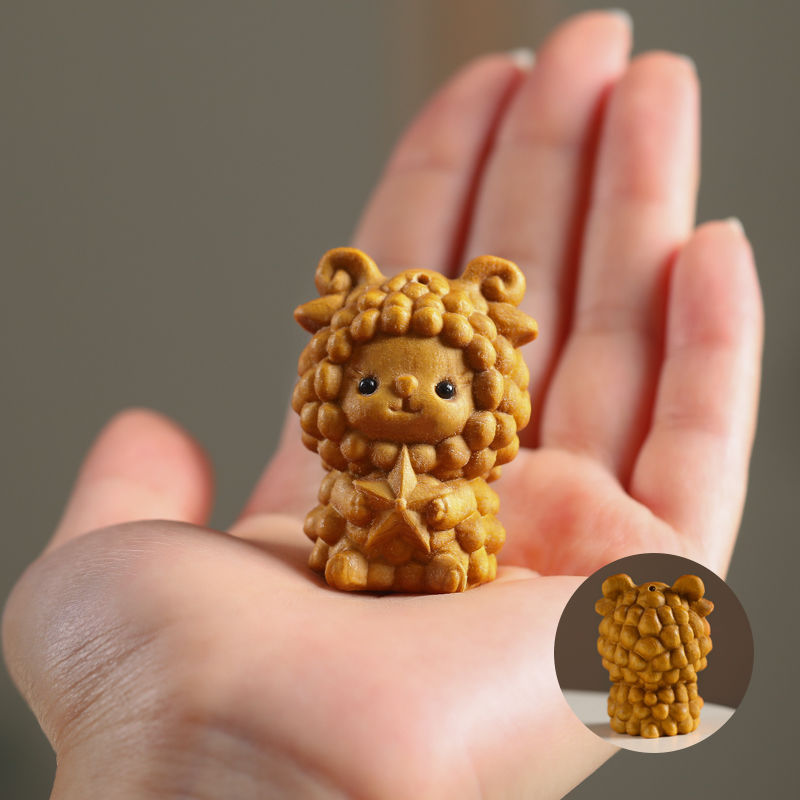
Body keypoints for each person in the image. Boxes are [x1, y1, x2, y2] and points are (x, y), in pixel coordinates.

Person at [2, 11, 762, 798]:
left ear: (483, 399)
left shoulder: (463, 472)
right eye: (369, 384)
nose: (406, 396)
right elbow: (335, 511)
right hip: (359, 541)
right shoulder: (347, 472)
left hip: (444, 544)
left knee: (461, 537)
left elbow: (478, 515)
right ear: (335, 391)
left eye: (444, 388)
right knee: (349, 534)